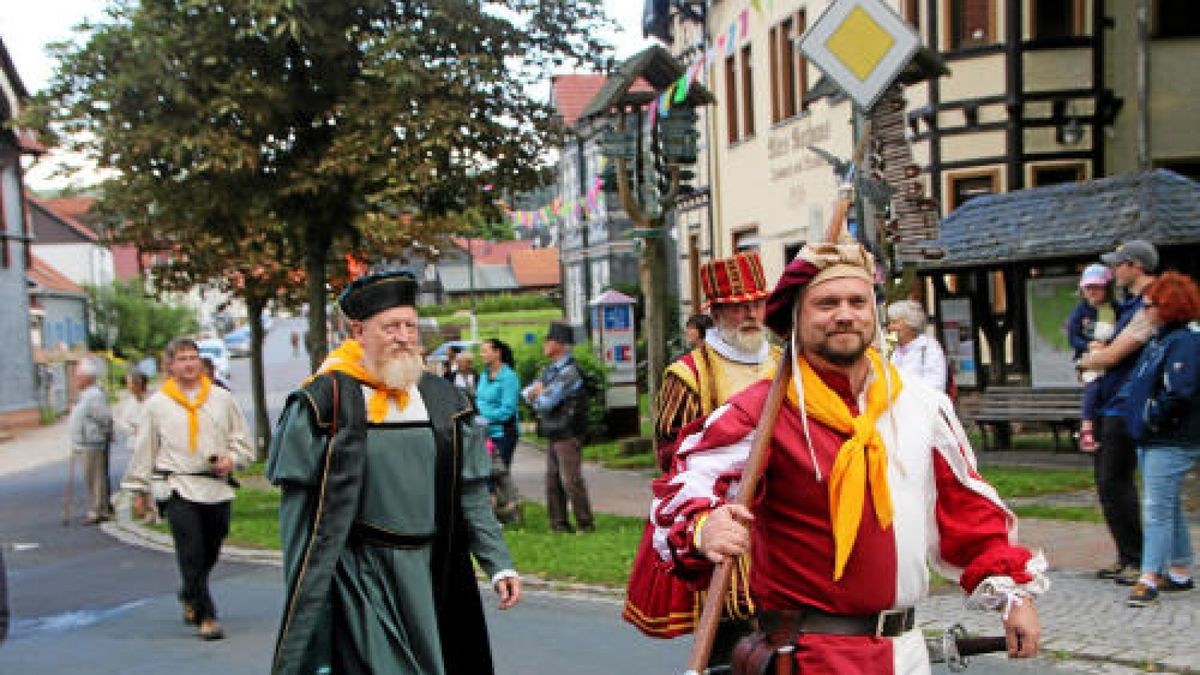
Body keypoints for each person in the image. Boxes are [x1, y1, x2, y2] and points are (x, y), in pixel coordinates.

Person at [650, 236, 1046, 672]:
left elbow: (966, 511)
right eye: (826, 303)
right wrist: (705, 526)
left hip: (906, 653)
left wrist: (1011, 594)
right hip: (812, 655)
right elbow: (684, 485)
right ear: (797, 318)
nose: (845, 314)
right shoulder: (763, 413)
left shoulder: (920, 405)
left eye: (858, 301)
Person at [266, 270, 520, 675]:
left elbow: (470, 494)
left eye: (410, 326)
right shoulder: (322, 404)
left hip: (433, 571)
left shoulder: (443, 402)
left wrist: (498, 563)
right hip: (360, 575)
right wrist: (307, 592)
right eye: (391, 327)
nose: (403, 336)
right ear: (359, 330)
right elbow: (298, 516)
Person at [624, 251, 781, 651]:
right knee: (733, 643)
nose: (750, 313)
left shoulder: (786, 363)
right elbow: (673, 458)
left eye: (757, 303)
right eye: (736, 306)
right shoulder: (689, 374)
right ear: (715, 311)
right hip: (725, 518)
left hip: (784, 521)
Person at [122, 338, 253, 641]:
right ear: (170, 365)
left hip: (215, 485)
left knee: (211, 547)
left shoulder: (221, 399)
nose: (189, 364)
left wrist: (231, 459)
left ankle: (189, 591)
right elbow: (145, 448)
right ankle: (206, 616)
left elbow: (241, 441)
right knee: (190, 550)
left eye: (193, 357)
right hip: (177, 484)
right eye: (182, 359)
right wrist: (139, 489)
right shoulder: (157, 405)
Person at [1114, 272, 1200, 606]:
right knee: (1168, 503)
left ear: (1167, 308)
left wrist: (1152, 415)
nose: (1144, 310)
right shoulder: (1162, 340)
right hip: (1153, 436)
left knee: (1157, 508)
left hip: (1170, 438)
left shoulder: (1184, 343)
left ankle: (1149, 576)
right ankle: (1179, 569)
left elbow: (1181, 391)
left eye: (1150, 305)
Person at [1079, 240, 1159, 584]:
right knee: (1107, 484)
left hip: (1126, 403)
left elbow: (1113, 356)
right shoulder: (1126, 305)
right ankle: (1126, 554)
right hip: (1109, 401)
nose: (1114, 272)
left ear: (1135, 266)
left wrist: (1090, 359)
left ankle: (1138, 558)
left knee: (1116, 481)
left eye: (1119, 265)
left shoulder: (1149, 304)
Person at [523, 321, 594, 533]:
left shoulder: (569, 372)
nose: (544, 344)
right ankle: (559, 524)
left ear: (560, 344)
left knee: (570, 479)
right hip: (554, 430)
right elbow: (526, 393)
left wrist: (539, 394)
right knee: (552, 480)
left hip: (568, 430)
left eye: (549, 340)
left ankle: (585, 522)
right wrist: (539, 393)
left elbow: (547, 402)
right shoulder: (549, 371)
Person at [1067, 264, 1118, 452]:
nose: (1092, 292)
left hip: (1111, 357)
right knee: (1093, 386)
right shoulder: (1080, 312)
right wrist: (1088, 345)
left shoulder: (1115, 310)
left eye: (1097, 287)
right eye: (1088, 288)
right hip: (1089, 359)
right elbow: (1073, 338)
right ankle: (1086, 428)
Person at [476, 338, 522, 524]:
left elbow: (507, 410)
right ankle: (494, 513)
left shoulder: (509, 377)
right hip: (484, 433)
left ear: (497, 353)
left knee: (500, 473)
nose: (482, 355)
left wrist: (484, 415)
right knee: (485, 473)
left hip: (503, 433)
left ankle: (511, 510)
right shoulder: (484, 375)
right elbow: (479, 400)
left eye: (485, 351)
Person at [68, 358, 114, 525]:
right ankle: (100, 507)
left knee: (96, 478)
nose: (76, 380)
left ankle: (100, 510)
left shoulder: (93, 395)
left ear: (88, 378)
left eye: (78, 376)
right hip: (86, 442)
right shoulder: (86, 395)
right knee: (92, 477)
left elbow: (104, 417)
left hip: (93, 442)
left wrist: (105, 433)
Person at [114, 369, 156, 523]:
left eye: (130, 383)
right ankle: (143, 506)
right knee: (138, 476)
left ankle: (151, 509)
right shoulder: (130, 402)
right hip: (135, 444)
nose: (128, 386)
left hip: (149, 445)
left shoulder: (152, 401)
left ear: (138, 385)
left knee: (149, 477)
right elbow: (123, 420)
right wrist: (132, 428)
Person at [886, 299, 948, 393]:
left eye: (894, 322)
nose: (890, 327)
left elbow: (935, 386)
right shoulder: (891, 347)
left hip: (920, 405)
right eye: (889, 323)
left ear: (911, 324)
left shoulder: (929, 347)